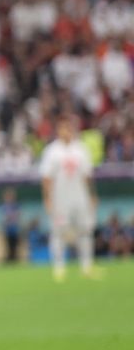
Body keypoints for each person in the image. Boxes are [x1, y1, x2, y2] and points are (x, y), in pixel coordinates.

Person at [39, 112, 100, 282]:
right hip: (60, 199)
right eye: (62, 128)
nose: (65, 131)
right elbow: (46, 178)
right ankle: (59, 268)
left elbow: (87, 175)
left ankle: (86, 266)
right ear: (58, 130)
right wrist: (47, 198)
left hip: (80, 197)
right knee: (59, 232)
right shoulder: (52, 151)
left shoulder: (81, 149)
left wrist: (93, 195)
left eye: (68, 127)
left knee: (85, 230)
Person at [0, 187, 22, 264]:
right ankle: (9, 259)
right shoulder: (4, 206)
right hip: (7, 229)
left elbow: (18, 216)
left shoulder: (16, 206)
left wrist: (12, 217)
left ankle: (14, 258)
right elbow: (3, 218)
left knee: (15, 245)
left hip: (14, 229)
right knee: (8, 245)